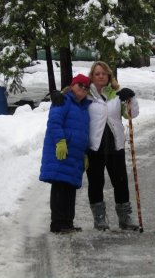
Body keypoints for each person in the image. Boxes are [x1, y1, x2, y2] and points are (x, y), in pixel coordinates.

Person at [86, 61, 139, 231]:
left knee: (121, 182)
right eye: (97, 73)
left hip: (115, 145)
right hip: (94, 146)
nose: (101, 76)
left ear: (109, 76)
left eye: (104, 73)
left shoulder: (117, 94)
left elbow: (132, 113)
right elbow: (70, 99)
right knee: (95, 182)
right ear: (92, 77)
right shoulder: (86, 95)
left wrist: (131, 98)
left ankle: (125, 218)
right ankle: (100, 218)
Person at [39, 74, 91, 233]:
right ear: (72, 85)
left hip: (75, 155)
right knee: (60, 187)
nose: (82, 90)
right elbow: (54, 122)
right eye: (79, 85)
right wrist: (60, 141)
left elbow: (84, 132)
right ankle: (57, 224)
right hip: (62, 151)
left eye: (86, 87)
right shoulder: (64, 100)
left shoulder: (83, 108)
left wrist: (85, 153)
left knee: (70, 188)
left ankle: (67, 222)